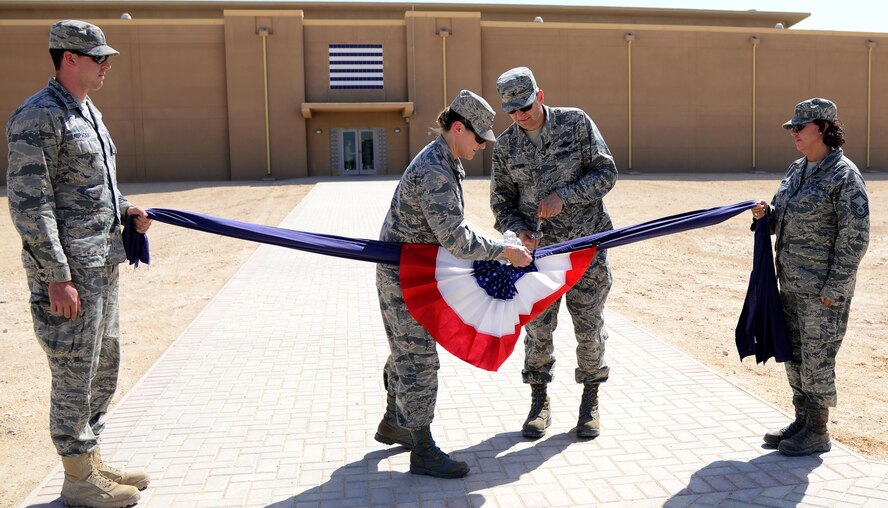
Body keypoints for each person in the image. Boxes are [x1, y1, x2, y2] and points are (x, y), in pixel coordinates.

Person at [7, 19, 153, 508]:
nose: (106, 65)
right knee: (73, 372)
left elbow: (96, 188)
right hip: (70, 274)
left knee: (102, 367)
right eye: (98, 58)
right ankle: (77, 480)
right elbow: (31, 205)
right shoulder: (38, 116)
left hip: (101, 264)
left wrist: (127, 209)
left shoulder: (88, 112)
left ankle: (91, 461)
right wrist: (57, 276)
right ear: (69, 58)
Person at [373, 90, 533, 478]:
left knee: (405, 349)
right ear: (458, 128)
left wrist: (502, 243)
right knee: (418, 359)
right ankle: (423, 450)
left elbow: (454, 228)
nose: (483, 145)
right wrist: (505, 251)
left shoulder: (446, 161)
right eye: (479, 137)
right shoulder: (434, 170)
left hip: (416, 271)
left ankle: (395, 420)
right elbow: (457, 240)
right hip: (403, 276)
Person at [490, 67, 617, 440]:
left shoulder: (575, 123)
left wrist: (566, 196)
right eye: (512, 110)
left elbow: (606, 173)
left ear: (540, 96)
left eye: (525, 106)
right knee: (538, 328)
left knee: (589, 325)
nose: (520, 115)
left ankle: (590, 399)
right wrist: (517, 231)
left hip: (585, 247)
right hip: (539, 257)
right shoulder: (506, 147)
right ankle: (539, 401)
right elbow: (502, 203)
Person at [751, 98, 869, 456]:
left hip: (821, 291)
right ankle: (801, 420)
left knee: (817, 358)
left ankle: (818, 430)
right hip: (790, 284)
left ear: (823, 128)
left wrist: (836, 287)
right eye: (792, 128)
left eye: (800, 127)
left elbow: (855, 237)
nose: (794, 133)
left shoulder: (844, 175)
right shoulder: (796, 170)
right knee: (795, 354)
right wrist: (765, 215)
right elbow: (781, 217)